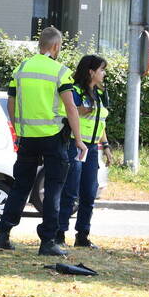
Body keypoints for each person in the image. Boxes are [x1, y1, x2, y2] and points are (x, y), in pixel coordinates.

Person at [0, 27, 86, 256]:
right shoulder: (60, 72)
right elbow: (71, 108)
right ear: (55, 46)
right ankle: (47, 241)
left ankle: (3, 235)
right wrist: (79, 140)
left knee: (20, 186)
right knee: (53, 189)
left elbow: (11, 102)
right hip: (53, 137)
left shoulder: (21, 68)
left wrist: (18, 129)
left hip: (27, 138)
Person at [57, 54, 111, 249]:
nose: (104, 73)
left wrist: (105, 146)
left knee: (89, 193)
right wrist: (83, 108)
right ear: (91, 71)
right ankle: (59, 233)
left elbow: (101, 122)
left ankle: (82, 236)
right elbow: (72, 111)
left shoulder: (100, 93)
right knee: (70, 191)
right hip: (75, 145)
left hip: (92, 148)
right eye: (102, 70)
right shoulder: (76, 90)